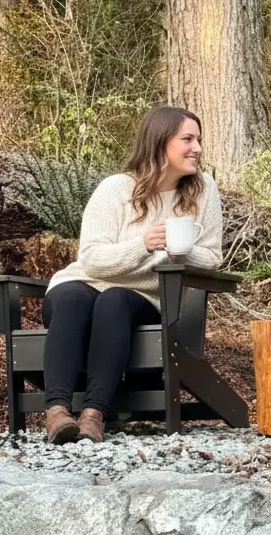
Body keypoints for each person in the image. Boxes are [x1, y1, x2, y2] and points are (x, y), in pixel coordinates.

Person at [42, 105, 223, 444]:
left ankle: (94, 414)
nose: (197, 148)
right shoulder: (114, 189)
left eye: (199, 139)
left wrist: (176, 249)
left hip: (143, 297)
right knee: (71, 296)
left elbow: (212, 258)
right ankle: (56, 413)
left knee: (114, 300)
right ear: (159, 142)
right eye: (187, 139)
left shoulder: (202, 190)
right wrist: (143, 244)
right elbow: (91, 258)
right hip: (85, 283)